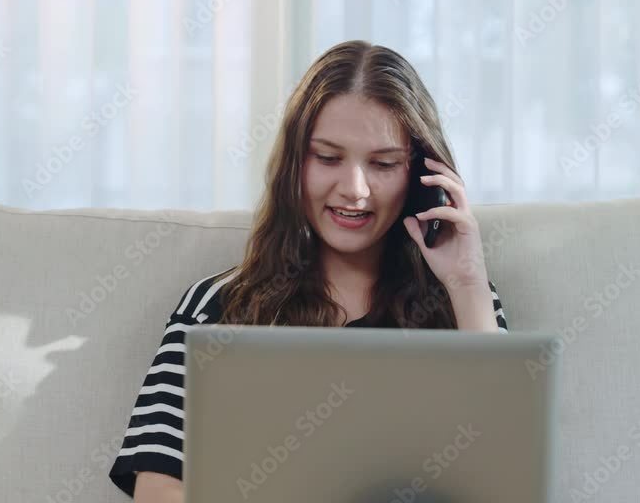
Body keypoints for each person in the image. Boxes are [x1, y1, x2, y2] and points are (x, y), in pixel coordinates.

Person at [108, 40, 510, 501]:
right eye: (328, 157)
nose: (355, 190)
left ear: (419, 176)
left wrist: (467, 284)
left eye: (383, 164)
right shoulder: (216, 306)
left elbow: (505, 477)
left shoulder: (465, 303)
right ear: (294, 165)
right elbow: (159, 486)